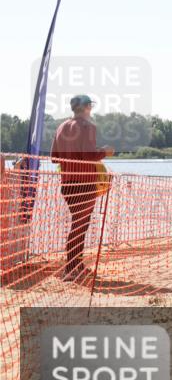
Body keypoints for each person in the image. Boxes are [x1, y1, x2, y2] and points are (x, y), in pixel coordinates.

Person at [51, 95, 113, 284]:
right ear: (86, 107)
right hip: (84, 184)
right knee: (79, 226)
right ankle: (71, 268)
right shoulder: (87, 126)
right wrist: (105, 152)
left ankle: (76, 264)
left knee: (80, 225)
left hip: (68, 184)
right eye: (90, 106)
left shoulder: (61, 127)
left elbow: (54, 158)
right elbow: (88, 155)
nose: (90, 110)